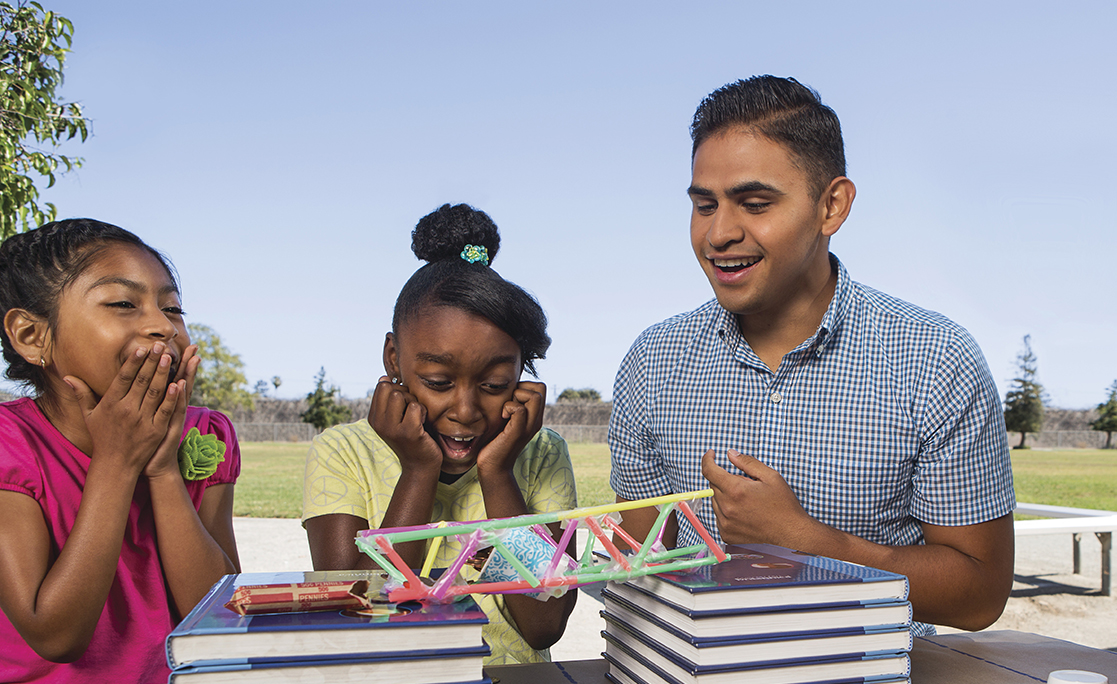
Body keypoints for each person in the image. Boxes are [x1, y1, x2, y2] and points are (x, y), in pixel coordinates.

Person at [609, 76, 1015, 635]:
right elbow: (642, 566)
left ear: (832, 205)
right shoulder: (652, 362)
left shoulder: (935, 360)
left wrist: (805, 543)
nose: (719, 233)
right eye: (704, 205)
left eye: (754, 204)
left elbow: (980, 596)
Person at [303, 203, 577, 665]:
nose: (465, 410)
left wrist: (498, 473)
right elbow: (353, 617)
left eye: (493, 385)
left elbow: (543, 625)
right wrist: (418, 469)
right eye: (437, 382)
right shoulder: (342, 451)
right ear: (394, 358)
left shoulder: (541, 452)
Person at [0, 219, 241, 682]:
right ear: (32, 336)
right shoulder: (13, 447)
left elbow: (217, 618)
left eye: (172, 308)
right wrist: (116, 462)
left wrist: (163, 469)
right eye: (123, 304)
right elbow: (55, 637)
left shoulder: (206, 434)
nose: (160, 326)